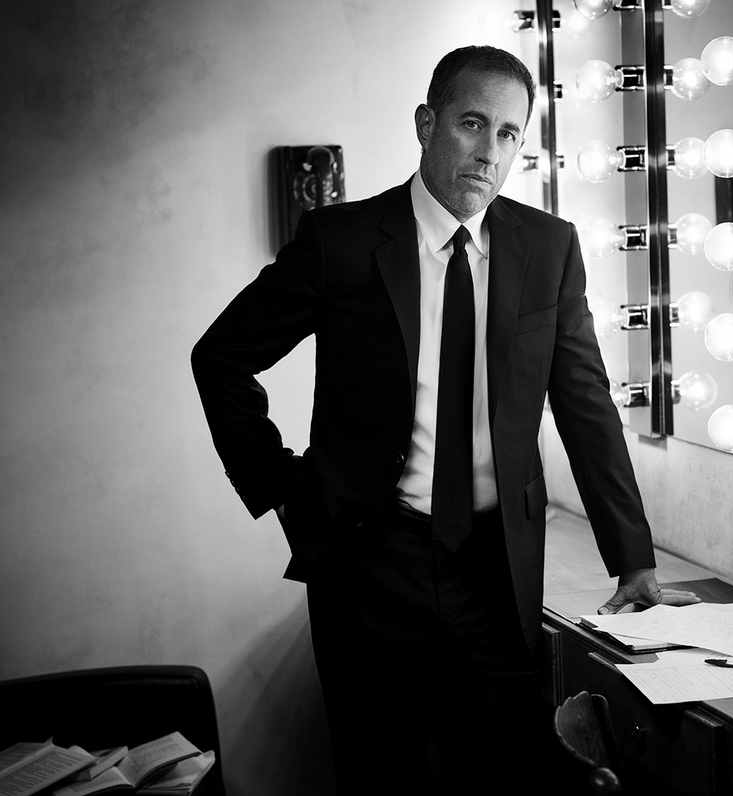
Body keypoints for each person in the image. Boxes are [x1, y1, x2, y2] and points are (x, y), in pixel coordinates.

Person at [192, 45, 698, 795]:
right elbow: (222, 357)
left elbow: (585, 404)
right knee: (379, 778)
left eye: (508, 134)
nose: (489, 151)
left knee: (498, 777)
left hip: (497, 571)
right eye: (472, 123)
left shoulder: (547, 247)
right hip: (370, 564)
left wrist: (635, 558)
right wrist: (286, 489)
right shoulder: (343, 242)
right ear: (428, 124)